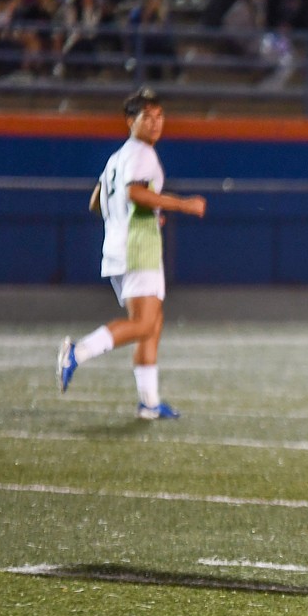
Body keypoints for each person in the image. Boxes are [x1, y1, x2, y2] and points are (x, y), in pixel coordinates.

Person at [57, 87, 207, 420]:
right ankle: (77, 352)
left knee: (153, 323)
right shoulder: (142, 153)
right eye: (147, 117)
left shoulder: (116, 157)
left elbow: (97, 202)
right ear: (130, 121)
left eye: (159, 117)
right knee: (143, 324)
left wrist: (146, 212)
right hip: (138, 247)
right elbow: (135, 192)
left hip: (116, 248)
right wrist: (182, 203)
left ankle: (149, 403)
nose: (155, 124)